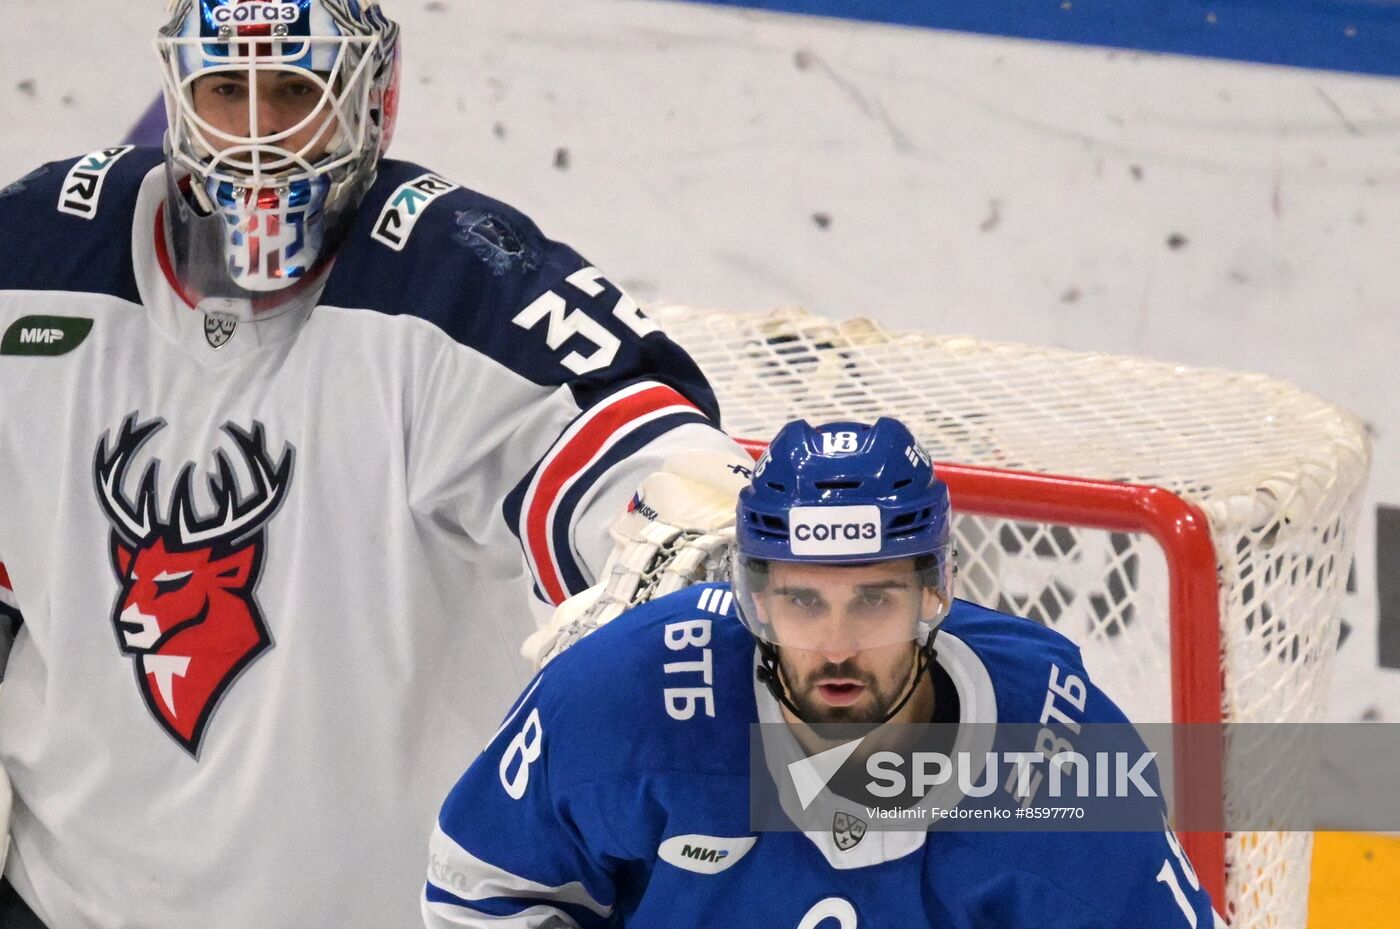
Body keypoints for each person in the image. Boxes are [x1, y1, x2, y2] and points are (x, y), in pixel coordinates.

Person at [0, 2, 750, 927]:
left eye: (295, 91)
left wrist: (685, 532)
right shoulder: (34, 257)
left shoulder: (457, 280)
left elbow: (637, 455)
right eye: (226, 90)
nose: (258, 136)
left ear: (369, 97)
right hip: (65, 901)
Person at [425, 417, 1221, 928]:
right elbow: (479, 886)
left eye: (873, 598)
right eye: (804, 599)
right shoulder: (629, 695)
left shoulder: (1060, 763)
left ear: (933, 591)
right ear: (755, 599)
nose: (836, 644)